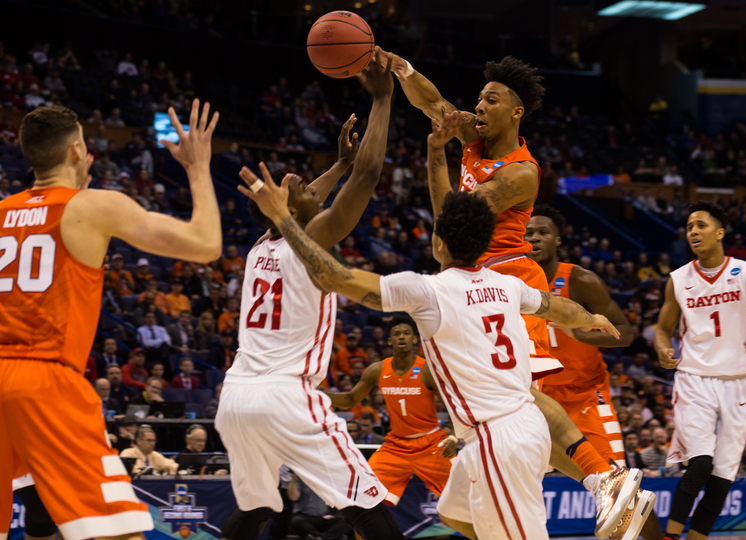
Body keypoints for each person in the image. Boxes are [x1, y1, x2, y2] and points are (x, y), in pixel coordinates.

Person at [241, 167, 624, 540]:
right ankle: (594, 476)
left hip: (499, 440)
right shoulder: (507, 285)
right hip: (509, 426)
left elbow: (333, 277)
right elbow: (558, 308)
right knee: (452, 512)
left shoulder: (430, 291)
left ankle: (603, 479)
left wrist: (282, 220)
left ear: (438, 243)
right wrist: (591, 318)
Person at [378, 46, 640, 537]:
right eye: (478, 97)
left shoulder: (521, 172)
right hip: (472, 278)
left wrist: (436, 157)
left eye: (491, 100)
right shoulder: (471, 139)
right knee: (457, 515)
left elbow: (454, 218)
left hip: (509, 277)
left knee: (518, 397)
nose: (479, 106)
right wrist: (403, 70)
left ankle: (605, 477)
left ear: (515, 112)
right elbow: (432, 104)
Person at [0, 104, 216, 540]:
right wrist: (197, 167)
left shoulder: (3, 210)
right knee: (123, 532)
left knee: (38, 517)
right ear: (78, 150)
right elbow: (206, 244)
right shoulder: (92, 206)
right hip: (45, 381)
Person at [215, 53, 408, 540]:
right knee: (365, 501)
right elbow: (364, 182)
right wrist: (383, 99)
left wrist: (339, 163)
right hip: (285, 394)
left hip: (236, 396)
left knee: (256, 506)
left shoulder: (264, 244)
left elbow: (300, 209)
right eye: (290, 183)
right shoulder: (312, 240)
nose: (298, 179)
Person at [526, 204, 659, 540]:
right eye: (528, 233)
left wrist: (580, 332)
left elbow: (625, 331)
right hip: (541, 398)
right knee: (524, 475)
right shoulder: (517, 279)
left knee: (618, 482)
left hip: (586, 396)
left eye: (543, 231)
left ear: (558, 237)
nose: (534, 238)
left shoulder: (580, 279)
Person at [654, 201, 746, 540]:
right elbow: (662, 328)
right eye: (689, 226)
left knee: (723, 478)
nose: (693, 231)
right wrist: (661, 347)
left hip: (737, 384)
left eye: (701, 225)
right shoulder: (678, 279)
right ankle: (670, 537)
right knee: (701, 465)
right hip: (694, 379)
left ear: (720, 232)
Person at [327, 314, 456, 507]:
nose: (401, 337)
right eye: (396, 334)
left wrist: (453, 437)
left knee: (464, 500)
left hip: (431, 444)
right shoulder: (377, 370)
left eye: (406, 333)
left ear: (414, 339)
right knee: (363, 501)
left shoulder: (428, 369)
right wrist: (317, 394)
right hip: (396, 446)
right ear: (390, 340)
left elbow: (453, 407)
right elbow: (349, 399)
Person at [288, 472, 354, 540]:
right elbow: (293, 497)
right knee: (296, 521)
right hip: (305, 517)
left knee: (348, 521)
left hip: (324, 517)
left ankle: (320, 538)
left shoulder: (327, 477)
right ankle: (324, 537)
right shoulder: (299, 477)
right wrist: (294, 476)